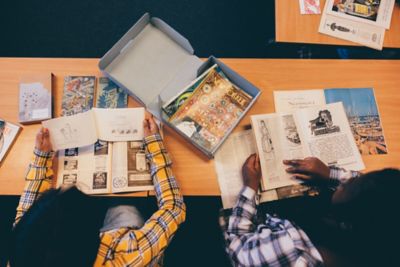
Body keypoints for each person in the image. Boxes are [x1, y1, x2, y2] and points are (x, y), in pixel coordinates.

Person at [10, 117, 186, 267]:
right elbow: (173, 208)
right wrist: (155, 146)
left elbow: (28, 218)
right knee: (126, 211)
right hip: (134, 248)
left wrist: (41, 159)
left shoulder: (24, 253)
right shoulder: (128, 255)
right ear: (94, 238)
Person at [221, 154, 400, 266]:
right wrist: (330, 174)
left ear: (344, 223)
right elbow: (369, 188)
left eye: (348, 185)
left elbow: (237, 246)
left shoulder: (293, 251)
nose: (349, 179)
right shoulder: (380, 233)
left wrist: (250, 186)